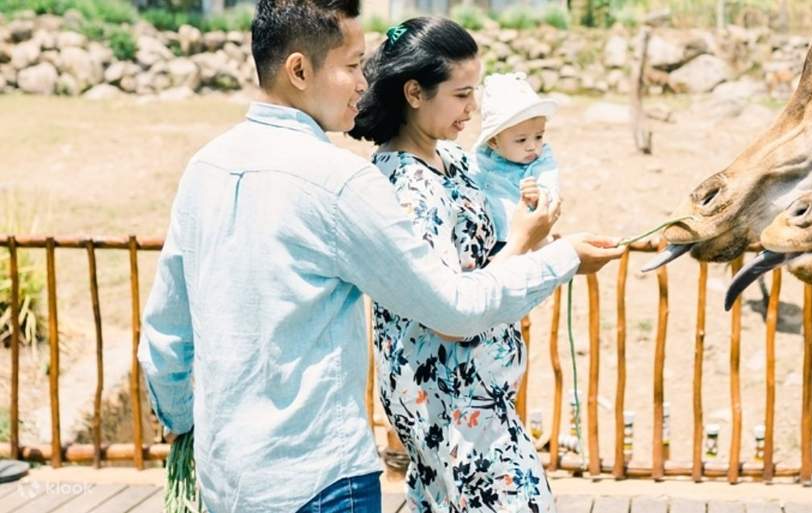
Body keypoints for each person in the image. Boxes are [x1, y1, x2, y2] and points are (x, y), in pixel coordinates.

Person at [136, 1, 623, 511]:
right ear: (299, 70)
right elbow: (452, 308)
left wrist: (184, 425)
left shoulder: (204, 168)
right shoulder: (339, 182)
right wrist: (560, 256)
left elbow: (166, 340)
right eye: (351, 66)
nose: (365, 83)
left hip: (226, 480)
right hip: (322, 480)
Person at [346, 17, 566, 512]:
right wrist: (531, 244)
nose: (475, 109)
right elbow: (449, 314)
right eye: (462, 94)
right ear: (415, 93)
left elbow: (485, 255)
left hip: (470, 399)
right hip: (452, 403)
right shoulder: (408, 189)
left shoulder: (451, 159)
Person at [470, 72, 560, 249]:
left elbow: (549, 185)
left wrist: (538, 195)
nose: (532, 146)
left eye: (539, 136)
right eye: (521, 140)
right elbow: (470, 178)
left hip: (525, 237)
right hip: (486, 235)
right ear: (494, 142)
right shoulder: (481, 157)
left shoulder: (541, 160)